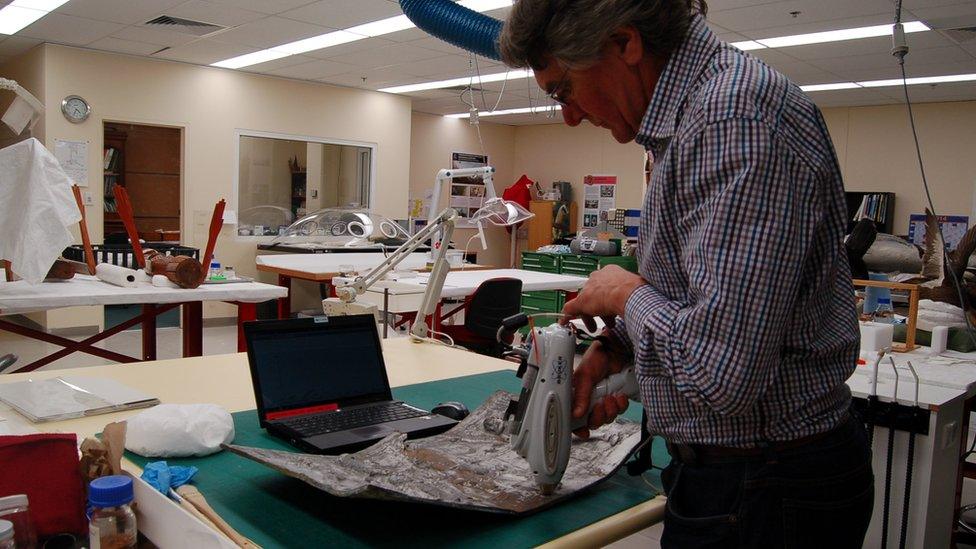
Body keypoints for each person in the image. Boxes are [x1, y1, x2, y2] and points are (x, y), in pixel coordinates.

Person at [499, 1, 873, 547]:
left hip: (766, 485)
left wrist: (626, 295)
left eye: (564, 90)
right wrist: (617, 348)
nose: (570, 116)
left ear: (626, 43)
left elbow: (723, 375)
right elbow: (696, 290)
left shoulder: (734, 120)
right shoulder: (693, 124)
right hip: (742, 475)